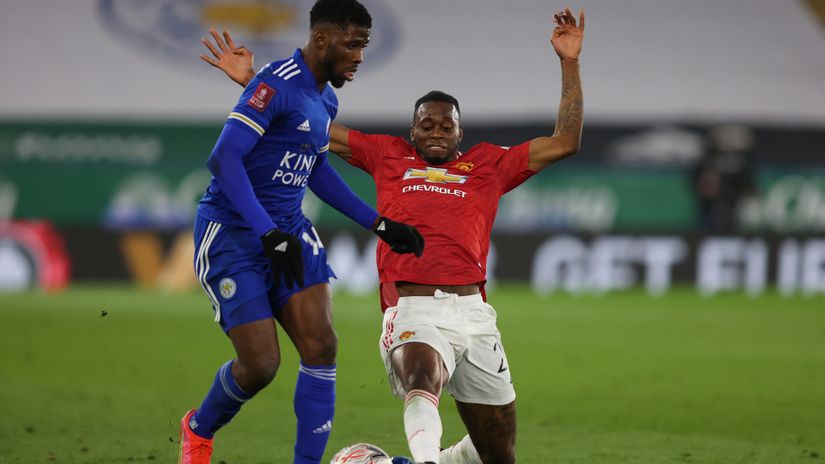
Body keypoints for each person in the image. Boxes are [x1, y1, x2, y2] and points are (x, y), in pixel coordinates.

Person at [202, 7, 584, 463]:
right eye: (427, 125)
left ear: (461, 133)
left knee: (498, 453)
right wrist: (254, 84)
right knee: (421, 377)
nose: (436, 132)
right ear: (412, 131)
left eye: (447, 126)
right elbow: (302, 120)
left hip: (474, 313)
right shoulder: (388, 154)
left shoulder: (490, 164)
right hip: (412, 309)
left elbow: (566, 142)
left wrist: (569, 62)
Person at [181, 1, 425, 463]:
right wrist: (267, 233)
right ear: (321, 39)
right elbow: (224, 158)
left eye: (364, 46)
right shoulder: (275, 83)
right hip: (233, 234)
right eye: (353, 45)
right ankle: (198, 428)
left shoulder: (326, 99)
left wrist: (379, 223)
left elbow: (316, 170)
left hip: (290, 230)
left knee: (322, 345)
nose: (359, 57)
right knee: (261, 365)